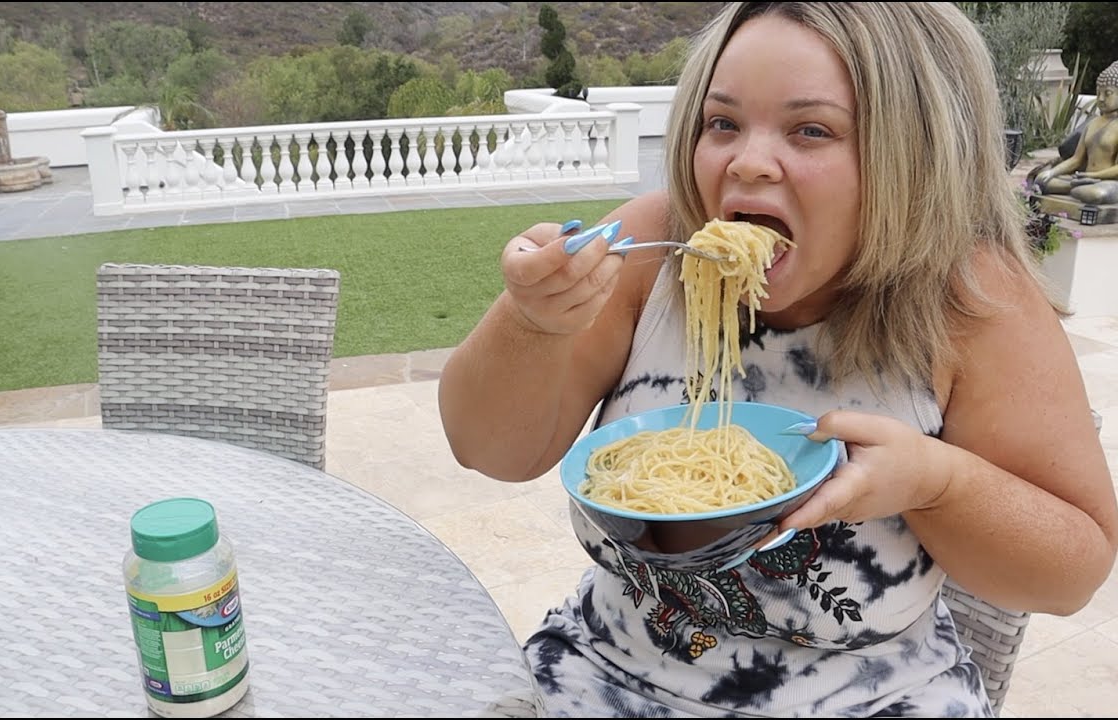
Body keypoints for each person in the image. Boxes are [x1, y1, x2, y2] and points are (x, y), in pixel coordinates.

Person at [438, 2, 1117, 717]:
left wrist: (936, 484)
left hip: (868, 698)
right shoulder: (648, 246)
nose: (747, 161)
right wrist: (533, 322)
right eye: (722, 123)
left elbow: (1071, 572)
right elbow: (487, 450)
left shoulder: (971, 299)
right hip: (605, 671)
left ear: (911, 156)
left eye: (811, 129)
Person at [1033, 60, 1118, 207]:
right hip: (1083, 179)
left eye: (1108, 94)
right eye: (1098, 93)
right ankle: (1076, 188)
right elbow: (1077, 159)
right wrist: (1053, 173)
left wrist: (1092, 176)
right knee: (1042, 179)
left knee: (1096, 194)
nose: (1101, 99)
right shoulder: (1092, 123)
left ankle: (1076, 188)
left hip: (1107, 182)